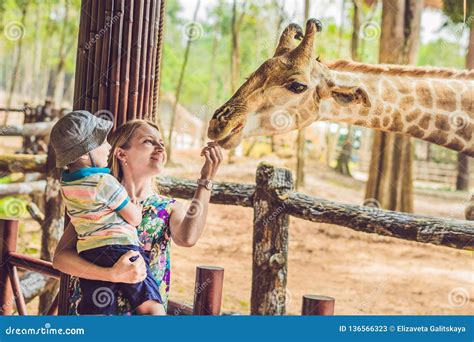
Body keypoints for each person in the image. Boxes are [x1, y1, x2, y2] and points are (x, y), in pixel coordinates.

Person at [52, 119, 223, 315]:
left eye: (161, 142)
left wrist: (206, 180)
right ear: (121, 153)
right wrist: (111, 274)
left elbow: (188, 238)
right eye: (148, 142)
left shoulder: (167, 208)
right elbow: (60, 259)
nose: (160, 147)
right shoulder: (96, 202)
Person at [51, 111, 164, 315]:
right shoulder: (104, 183)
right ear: (85, 154)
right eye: (102, 141)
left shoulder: (68, 186)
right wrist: (135, 208)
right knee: (151, 307)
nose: (109, 146)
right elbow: (135, 218)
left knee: (98, 310)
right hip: (121, 250)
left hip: (90, 253)